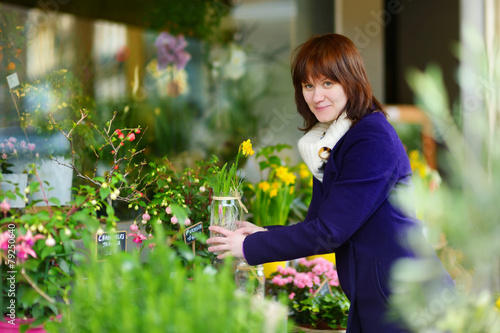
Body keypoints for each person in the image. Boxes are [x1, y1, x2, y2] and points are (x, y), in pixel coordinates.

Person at [206, 33, 451, 332]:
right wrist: (261, 232)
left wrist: (250, 247)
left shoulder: (370, 138)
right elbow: (319, 223)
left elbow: (330, 232)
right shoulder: (332, 142)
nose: (316, 96)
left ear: (351, 80)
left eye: (327, 83)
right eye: (308, 85)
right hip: (377, 297)